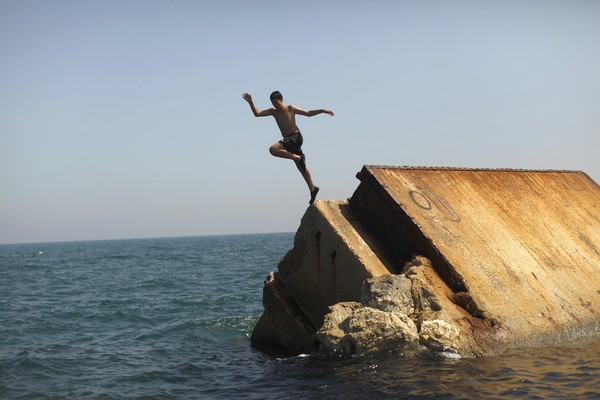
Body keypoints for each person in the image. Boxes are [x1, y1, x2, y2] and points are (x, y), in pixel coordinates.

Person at [242, 91, 334, 204]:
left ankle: (297, 157)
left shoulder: (291, 108)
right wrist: (251, 101)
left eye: (276, 102)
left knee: (273, 149)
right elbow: (257, 113)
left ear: (281, 99)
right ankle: (313, 188)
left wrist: (322, 110)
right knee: (301, 167)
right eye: (272, 103)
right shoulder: (273, 112)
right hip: (289, 140)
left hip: (295, 137)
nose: (274, 105)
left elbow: (308, 113)